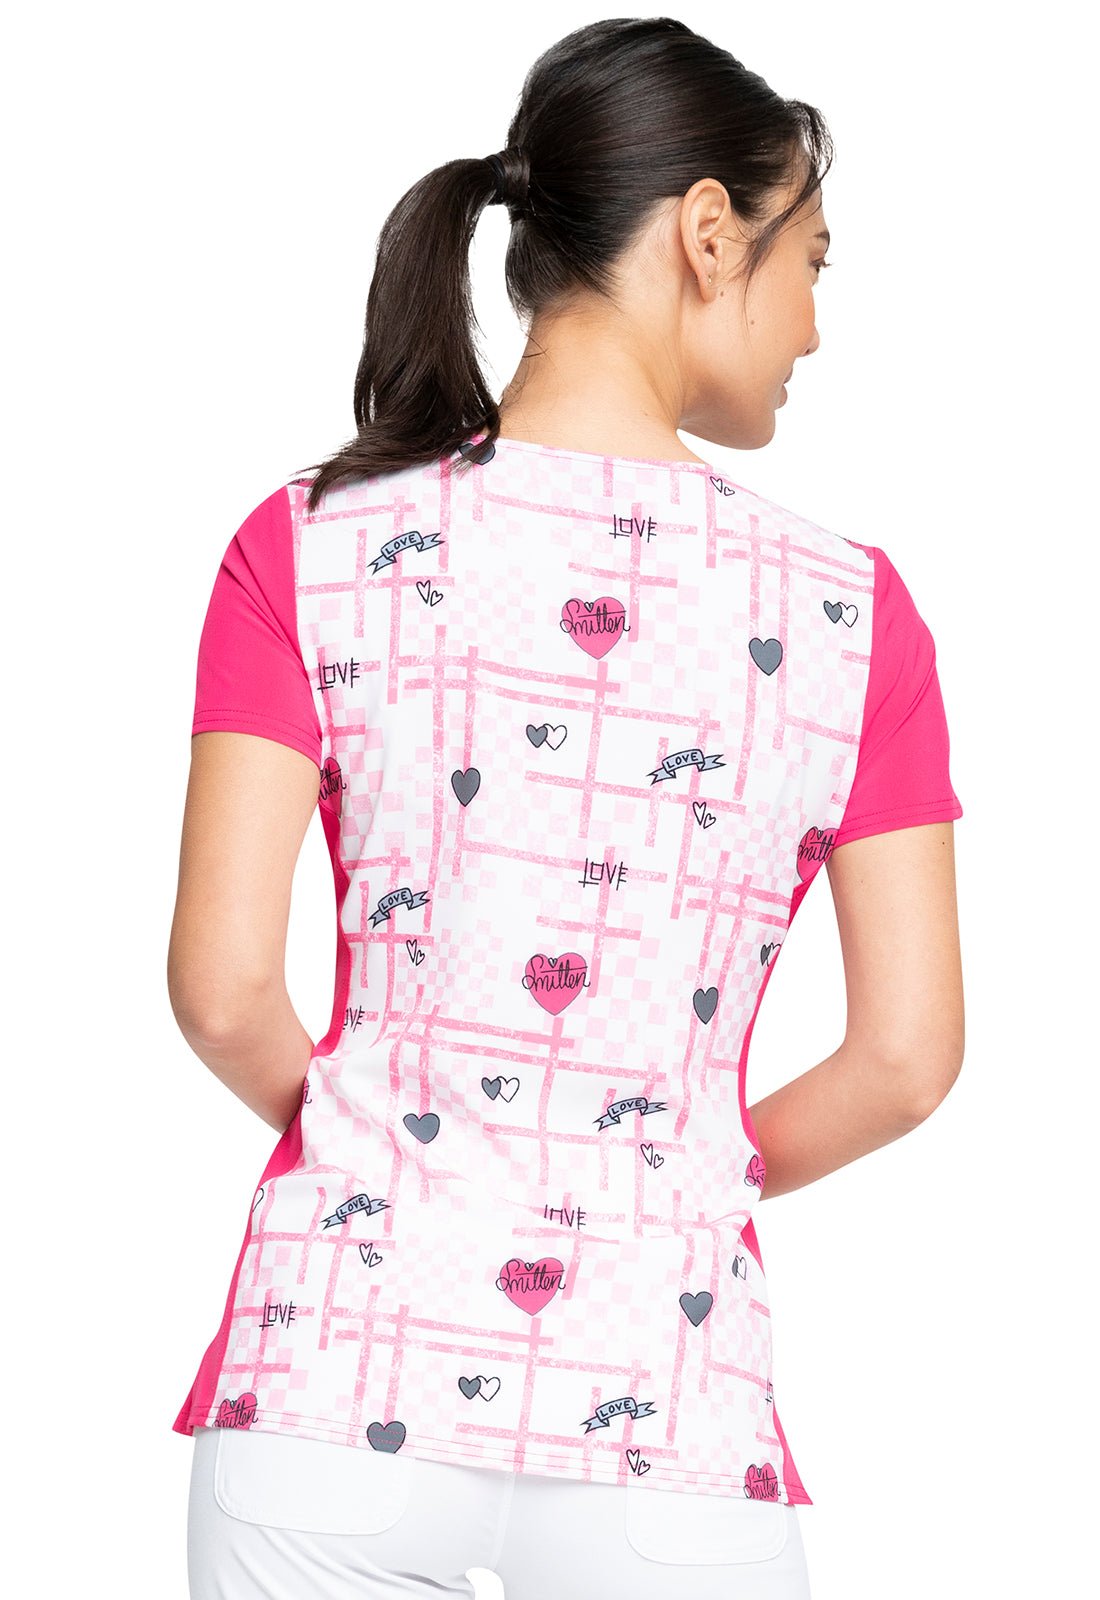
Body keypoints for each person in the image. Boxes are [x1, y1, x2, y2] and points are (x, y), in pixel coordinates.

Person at [169, 17, 965, 1600]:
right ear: (709, 233)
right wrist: (673, 1173)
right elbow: (905, 1060)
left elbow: (224, 991)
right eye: (813, 261)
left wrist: (393, 1143)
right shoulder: (851, 614)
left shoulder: (308, 546)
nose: (816, 326)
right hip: (666, 1407)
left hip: (333, 1383)